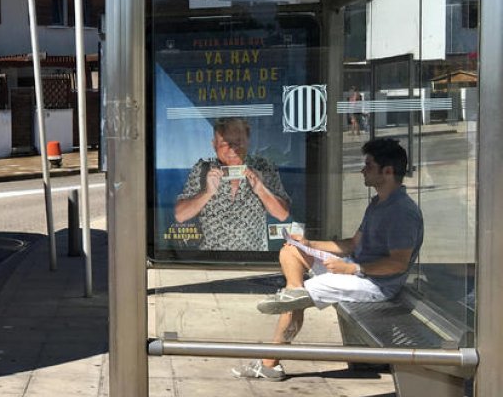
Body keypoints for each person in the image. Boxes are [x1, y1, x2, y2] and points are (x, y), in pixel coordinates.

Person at [232, 137, 423, 382]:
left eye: (368, 166)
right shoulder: (378, 203)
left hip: (376, 285)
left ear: (387, 171)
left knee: (299, 297)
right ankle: (293, 291)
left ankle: (270, 362)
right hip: (356, 270)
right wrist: (309, 244)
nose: (362, 170)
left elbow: (398, 263)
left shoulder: (401, 212)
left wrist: (351, 268)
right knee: (292, 250)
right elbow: (353, 244)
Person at [173, 117, 291, 251]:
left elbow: (282, 215)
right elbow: (180, 215)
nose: (232, 149)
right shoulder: (202, 169)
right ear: (214, 145)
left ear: (248, 142)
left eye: (238, 142)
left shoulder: (264, 167)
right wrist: (207, 193)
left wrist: (261, 189)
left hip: (254, 262)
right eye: (224, 143)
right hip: (209, 262)